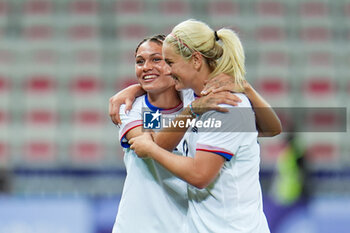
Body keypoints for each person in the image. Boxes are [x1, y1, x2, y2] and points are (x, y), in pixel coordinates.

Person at [129, 19, 272, 233]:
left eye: (170, 62)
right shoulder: (193, 96)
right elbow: (165, 142)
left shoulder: (226, 106)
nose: (166, 71)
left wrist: (150, 149)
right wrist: (133, 90)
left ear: (196, 60)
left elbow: (199, 176)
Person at [112, 35, 244, 233]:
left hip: (187, 226)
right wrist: (137, 89)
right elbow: (150, 145)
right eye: (140, 62)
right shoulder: (132, 109)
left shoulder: (195, 99)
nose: (146, 66)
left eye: (157, 59)